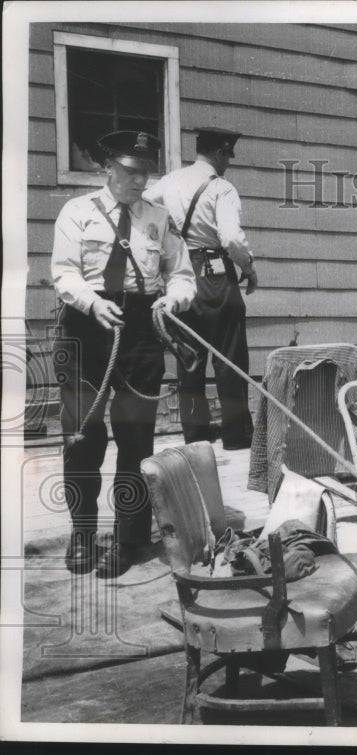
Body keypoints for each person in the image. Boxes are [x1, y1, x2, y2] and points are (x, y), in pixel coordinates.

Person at [51, 130, 196, 578]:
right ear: (107, 168)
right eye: (131, 172)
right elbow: (63, 272)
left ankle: (128, 539)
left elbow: (182, 273)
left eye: (145, 172)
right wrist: (93, 303)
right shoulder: (76, 212)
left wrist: (173, 299)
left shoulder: (158, 217)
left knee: (136, 442)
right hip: (86, 328)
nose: (139, 181)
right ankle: (82, 535)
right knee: (82, 439)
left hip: (138, 334)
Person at [143, 127, 258, 451]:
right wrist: (248, 268)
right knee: (229, 355)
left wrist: (170, 233)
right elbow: (232, 239)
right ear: (221, 153)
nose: (227, 165)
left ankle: (195, 434)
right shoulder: (222, 188)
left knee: (189, 358)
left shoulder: (170, 181)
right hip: (217, 275)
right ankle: (236, 434)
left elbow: (144, 204)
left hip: (180, 273)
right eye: (227, 158)